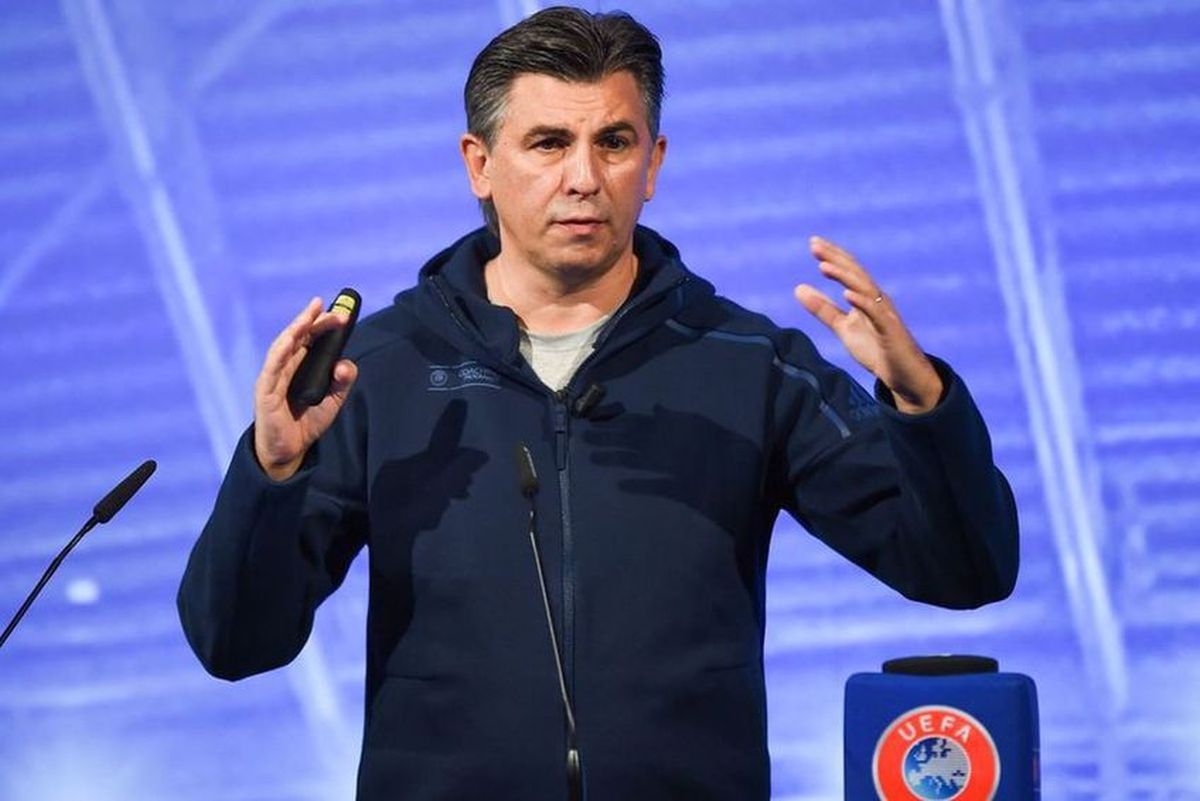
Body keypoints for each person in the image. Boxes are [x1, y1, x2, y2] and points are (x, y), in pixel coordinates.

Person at [177, 7, 1019, 800]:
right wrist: (272, 472)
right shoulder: (378, 371)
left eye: (614, 142)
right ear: (479, 164)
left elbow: (963, 571)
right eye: (548, 143)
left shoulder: (749, 364)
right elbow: (234, 642)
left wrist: (922, 404)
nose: (583, 177)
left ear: (654, 164)